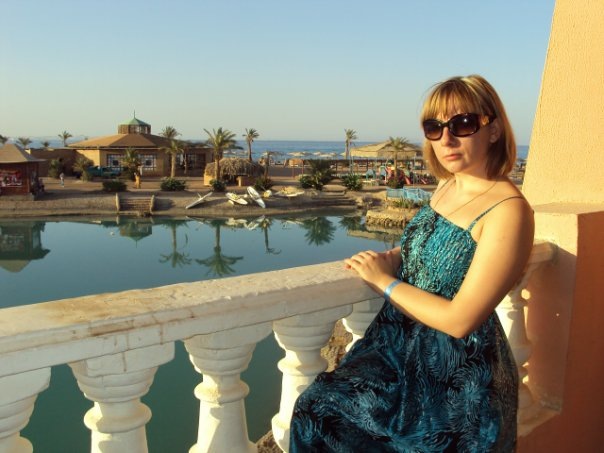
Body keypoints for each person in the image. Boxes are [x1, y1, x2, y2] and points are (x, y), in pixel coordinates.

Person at [289, 75, 535, 452]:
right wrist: (393, 257)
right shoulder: (448, 186)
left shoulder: (507, 211)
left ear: (494, 129)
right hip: (396, 349)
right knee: (315, 408)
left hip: (452, 379)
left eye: (462, 124)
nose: (446, 139)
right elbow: (429, 246)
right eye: (434, 127)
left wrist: (383, 281)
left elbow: (460, 320)